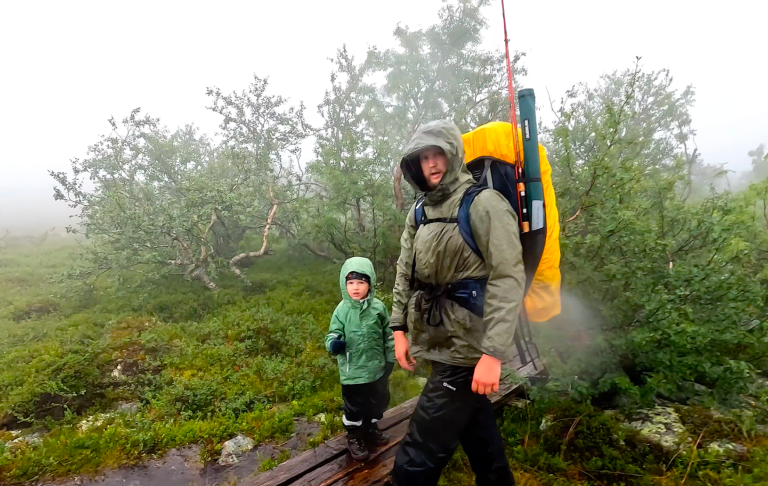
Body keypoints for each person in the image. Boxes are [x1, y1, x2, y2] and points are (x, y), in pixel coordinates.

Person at [389, 120, 525, 485]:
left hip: (467, 350)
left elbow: (508, 277)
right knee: (480, 438)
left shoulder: (483, 204)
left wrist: (493, 353)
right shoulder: (418, 212)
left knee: (415, 458)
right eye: (423, 157)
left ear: (454, 155)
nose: (431, 163)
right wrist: (398, 328)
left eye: (439, 154)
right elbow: (405, 272)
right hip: (438, 341)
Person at [325, 256, 396, 461]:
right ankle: (354, 436)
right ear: (344, 284)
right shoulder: (342, 310)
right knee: (354, 406)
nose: (355, 287)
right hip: (352, 371)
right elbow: (332, 334)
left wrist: (390, 359)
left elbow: (389, 335)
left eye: (361, 282)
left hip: (376, 369)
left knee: (377, 401)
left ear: (370, 283)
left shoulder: (378, 308)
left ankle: (371, 428)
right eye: (351, 283)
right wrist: (334, 344)